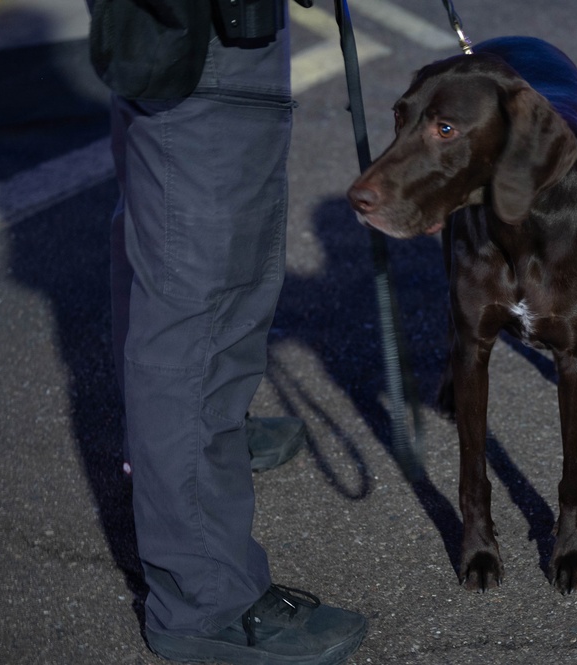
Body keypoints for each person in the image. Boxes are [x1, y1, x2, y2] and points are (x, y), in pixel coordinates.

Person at [87, 0, 368, 663]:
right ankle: (207, 599)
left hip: (178, 27)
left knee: (167, 250)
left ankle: (188, 438)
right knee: (203, 290)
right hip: (206, 24)